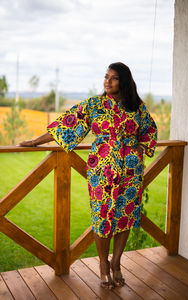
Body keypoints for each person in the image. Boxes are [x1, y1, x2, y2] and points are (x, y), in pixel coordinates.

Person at [19, 62, 157, 290]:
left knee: (124, 217)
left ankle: (117, 264)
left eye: (113, 78)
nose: (107, 81)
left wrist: (140, 149)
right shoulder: (94, 105)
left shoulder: (137, 107)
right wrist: (34, 141)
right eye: (106, 77)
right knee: (102, 216)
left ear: (124, 81)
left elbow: (150, 130)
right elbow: (66, 125)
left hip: (131, 172)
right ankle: (103, 265)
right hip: (102, 170)